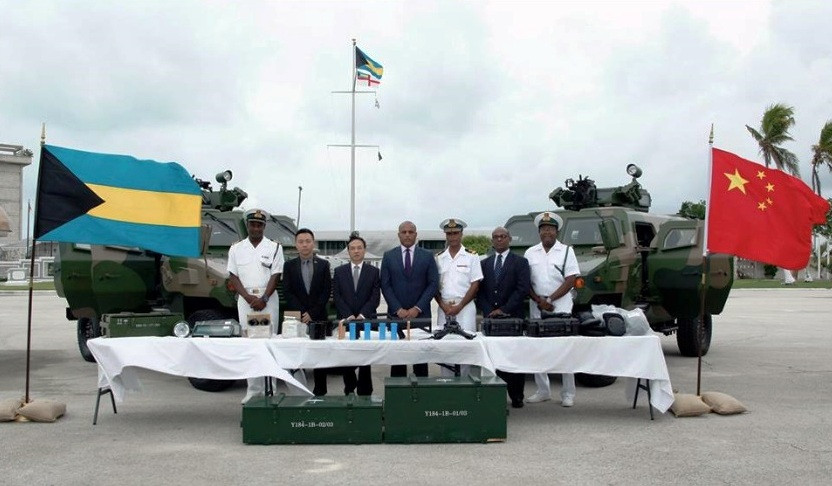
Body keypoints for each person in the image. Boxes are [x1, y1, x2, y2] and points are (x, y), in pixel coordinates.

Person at [227, 209, 284, 404]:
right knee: (251, 344)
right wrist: (248, 298)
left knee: (268, 343)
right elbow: (233, 275)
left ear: (264, 226)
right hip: (246, 300)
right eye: (252, 224)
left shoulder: (274, 247)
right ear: (248, 225)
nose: (256, 228)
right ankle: (253, 389)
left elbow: (276, 275)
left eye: (259, 225)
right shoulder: (236, 248)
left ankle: (272, 388)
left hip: (267, 300)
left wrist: (264, 298)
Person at [524, 211, 580, 407]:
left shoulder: (566, 251)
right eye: (544, 229)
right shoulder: (530, 252)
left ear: (557, 231)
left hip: (561, 305)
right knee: (538, 349)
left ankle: (568, 393)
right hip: (537, 305)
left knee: (564, 349)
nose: (547, 232)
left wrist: (550, 298)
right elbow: (526, 282)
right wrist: (539, 300)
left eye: (551, 229)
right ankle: (543, 390)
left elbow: (571, 279)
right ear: (539, 232)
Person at [477, 226, 531, 408]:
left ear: (509, 239)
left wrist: (504, 309)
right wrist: (488, 310)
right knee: (494, 358)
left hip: (512, 317)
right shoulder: (484, 263)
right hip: (491, 319)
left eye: (502, 236)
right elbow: (480, 291)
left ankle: (517, 396)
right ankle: (496, 395)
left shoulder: (520, 262)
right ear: (492, 241)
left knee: (514, 358)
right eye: (495, 237)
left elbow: (522, 289)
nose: (499, 240)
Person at [380, 221, 439, 377]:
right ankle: (398, 396)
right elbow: (385, 285)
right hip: (395, 316)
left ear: (416, 235)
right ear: (399, 235)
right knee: (397, 361)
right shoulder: (388, 256)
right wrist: (397, 309)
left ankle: (420, 396)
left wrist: (417, 308)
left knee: (420, 361)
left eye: (410, 232)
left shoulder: (427, 256)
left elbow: (433, 284)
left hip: (421, 316)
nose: (407, 235)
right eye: (404, 232)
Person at [282, 228, 332, 396]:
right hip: (297, 318)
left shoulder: (324, 265)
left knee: (319, 356)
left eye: (308, 241)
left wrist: (312, 312)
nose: (304, 245)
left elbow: (326, 292)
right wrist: (302, 312)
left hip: (318, 317)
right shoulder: (289, 266)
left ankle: (321, 391)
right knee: (298, 354)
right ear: (296, 245)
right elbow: (287, 291)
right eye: (301, 242)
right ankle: (300, 391)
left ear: (313, 243)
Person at [332, 234, 380, 395]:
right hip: (347, 321)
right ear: (348, 251)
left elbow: (375, 297)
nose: (356, 251)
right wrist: (348, 316)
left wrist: (362, 314)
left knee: (365, 354)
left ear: (364, 250)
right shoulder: (339, 272)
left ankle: (365, 389)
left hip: (365, 320)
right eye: (352, 248)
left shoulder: (373, 272)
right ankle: (349, 387)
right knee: (347, 353)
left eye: (359, 248)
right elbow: (337, 296)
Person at [434, 218, 482, 377]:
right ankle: (447, 384)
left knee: (465, 347)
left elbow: (475, 284)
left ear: (461, 234)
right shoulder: (439, 258)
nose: (452, 236)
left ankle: (465, 385)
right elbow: (433, 285)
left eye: (455, 233)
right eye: (449, 233)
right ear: (445, 235)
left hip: (465, 307)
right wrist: (442, 305)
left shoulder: (472, 256)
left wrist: (460, 306)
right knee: (444, 347)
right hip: (444, 308)